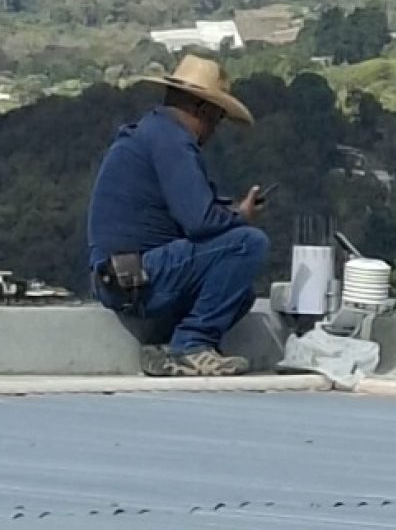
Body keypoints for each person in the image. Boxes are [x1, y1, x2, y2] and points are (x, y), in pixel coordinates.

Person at [87, 54, 269, 377]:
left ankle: (163, 346)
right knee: (249, 244)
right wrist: (240, 216)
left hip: (119, 279)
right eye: (216, 118)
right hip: (138, 277)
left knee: (239, 294)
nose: (214, 129)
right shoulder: (172, 141)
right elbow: (199, 221)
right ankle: (192, 345)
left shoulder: (151, 133)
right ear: (200, 109)